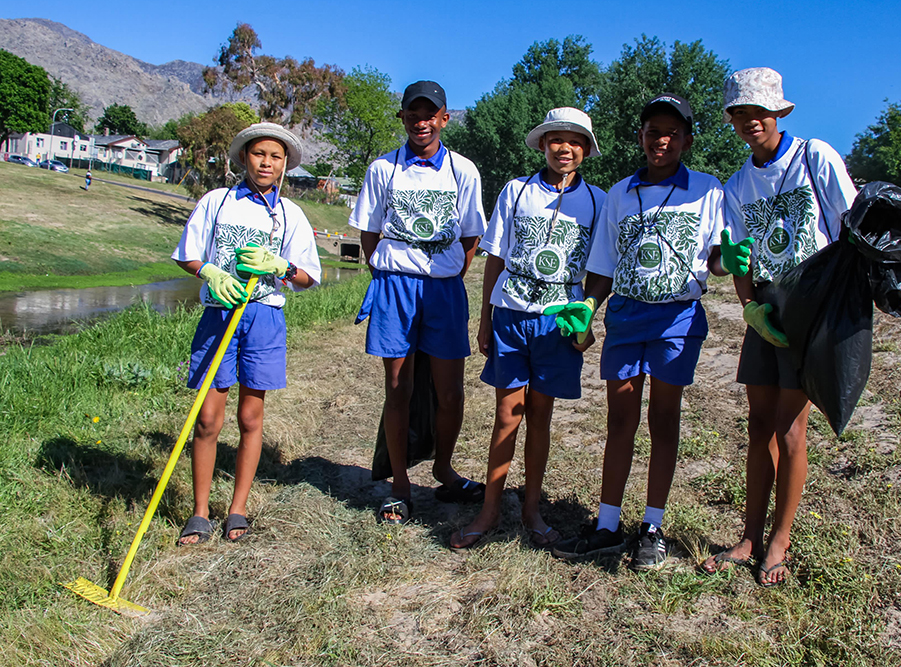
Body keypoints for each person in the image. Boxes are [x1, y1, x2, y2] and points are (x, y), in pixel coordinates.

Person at [550, 94, 727, 571]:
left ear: (687, 139)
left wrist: (725, 260)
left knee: (664, 421)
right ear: (640, 137)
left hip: (677, 320)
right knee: (620, 421)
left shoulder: (709, 190)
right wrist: (588, 306)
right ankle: (607, 525)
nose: (661, 140)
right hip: (626, 317)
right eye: (652, 131)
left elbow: (716, 256)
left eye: (672, 132)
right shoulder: (619, 194)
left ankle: (652, 527)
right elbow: (604, 265)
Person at [701, 67, 857, 586]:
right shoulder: (739, 184)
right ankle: (748, 535)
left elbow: (854, 225)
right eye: (740, 114)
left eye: (759, 112)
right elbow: (736, 257)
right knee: (758, 426)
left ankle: (779, 541)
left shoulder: (816, 157)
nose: (751, 122)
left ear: (779, 112)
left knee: (791, 430)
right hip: (766, 307)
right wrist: (749, 307)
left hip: (811, 305)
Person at [449, 108, 607, 549]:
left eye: (576, 141)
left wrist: (587, 310)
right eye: (556, 139)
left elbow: (600, 269)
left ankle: (533, 511)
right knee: (506, 417)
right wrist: (485, 318)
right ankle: (490, 510)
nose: (565, 148)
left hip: (559, 322)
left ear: (586, 150)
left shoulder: (596, 201)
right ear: (542, 144)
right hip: (512, 316)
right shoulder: (517, 192)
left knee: (541, 417)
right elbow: (495, 257)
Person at [171, 122, 322, 545]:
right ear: (244, 158)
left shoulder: (290, 215)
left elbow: (310, 276)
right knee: (207, 418)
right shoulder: (217, 203)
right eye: (259, 154)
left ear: (286, 164)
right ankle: (200, 512)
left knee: (250, 416)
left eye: (276, 156)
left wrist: (283, 268)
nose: (267, 162)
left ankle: (237, 508)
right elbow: (187, 255)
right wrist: (210, 271)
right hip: (220, 316)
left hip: (264, 317)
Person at [350, 81, 487, 524]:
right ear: (403, 117)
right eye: (413, 114)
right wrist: (392, 271)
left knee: (450, 391)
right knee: (399, 388)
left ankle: (444, 469)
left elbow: (471, 236)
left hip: (443, 290)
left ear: (444, 118)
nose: (421, 122)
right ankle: (400, 485)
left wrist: (446, 272)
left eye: (430, 114)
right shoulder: (383, 168)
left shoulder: (463, 170)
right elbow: (369, 233)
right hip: (395, 287)